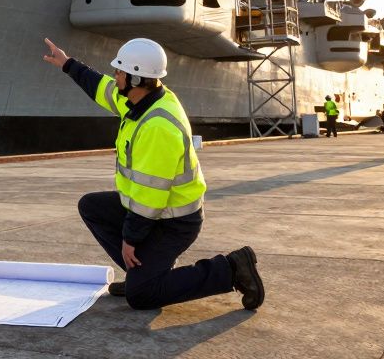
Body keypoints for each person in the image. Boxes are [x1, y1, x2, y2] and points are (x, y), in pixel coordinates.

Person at [42, 37, 265, 311]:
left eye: (120, 72)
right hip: (156, 211)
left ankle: (230, 268)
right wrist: (67, 64)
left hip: (175, 220)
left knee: (142, 296)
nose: (115, 76)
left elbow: (150, 198)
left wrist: (130, 240)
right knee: (91, 206)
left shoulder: (157, 125)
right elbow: (102, 88)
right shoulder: (141, 98)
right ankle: (144, 274)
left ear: (136, 79)